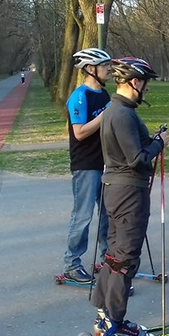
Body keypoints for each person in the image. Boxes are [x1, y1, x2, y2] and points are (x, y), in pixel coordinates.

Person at [91, 57, 169, 336]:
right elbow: (137, 159)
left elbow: (131, 148)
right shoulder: (122, 114)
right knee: (125, 258)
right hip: (127, 193)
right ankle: (114, 323)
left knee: (114, 254)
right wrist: (160, 143)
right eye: (145, 84)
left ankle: (105, 316)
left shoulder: (116, 110)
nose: (147, 89)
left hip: (116, 189)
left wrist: (152, 139)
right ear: (135, 82)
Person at [61, 48, 112, 284]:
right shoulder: (80, 96)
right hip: (86, 164)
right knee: (83, 215)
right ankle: (72, 264)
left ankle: (107, 258)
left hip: (105, 162)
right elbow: (79, 132)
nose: (109, 69)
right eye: (105, 65)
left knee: (107, 213)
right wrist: (104, 117)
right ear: (91, 69)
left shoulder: (104, 94)